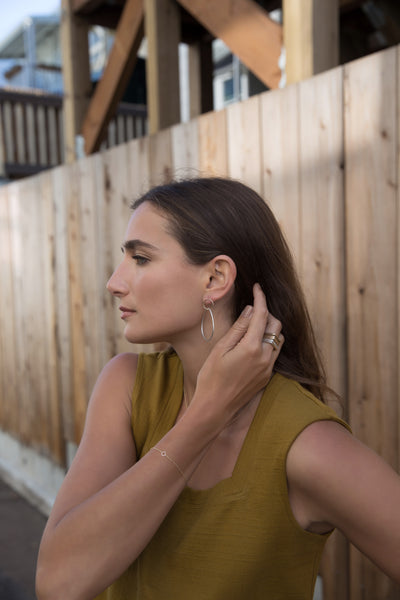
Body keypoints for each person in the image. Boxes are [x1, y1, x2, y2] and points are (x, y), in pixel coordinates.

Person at [36, 178, 400, 600]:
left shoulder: (306, 443)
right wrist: (207, 413)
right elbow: (59, 582)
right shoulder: (126, 386)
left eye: (140, 258)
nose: (114, 282)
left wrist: (209, 409)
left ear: (215, 277)